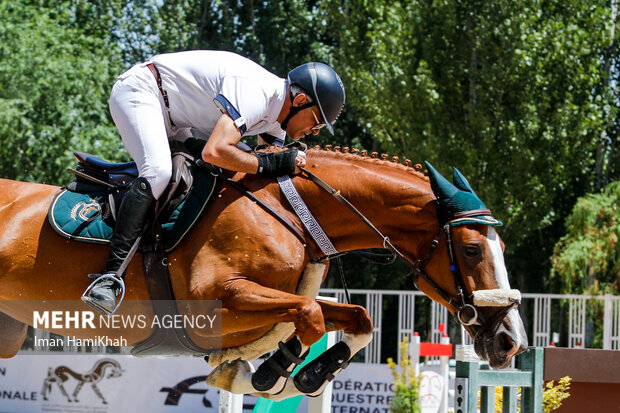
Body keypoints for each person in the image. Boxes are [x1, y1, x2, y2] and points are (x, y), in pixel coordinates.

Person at [81, 50, 346, 315]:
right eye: (317, 122)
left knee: (215, 176)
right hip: (143, 91)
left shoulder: (277, 120)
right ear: (299, 100)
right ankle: (109, 277)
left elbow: (267, 172)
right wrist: (267, 163)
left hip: (179, 117)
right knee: (158, 172)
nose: (314, 131)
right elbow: (216, 151)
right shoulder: (258, 93)